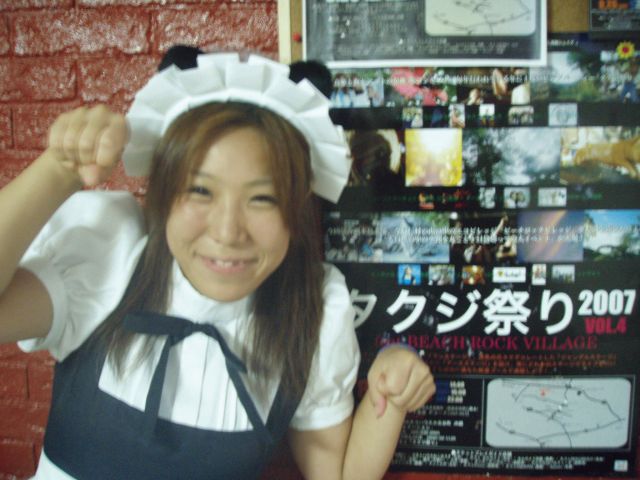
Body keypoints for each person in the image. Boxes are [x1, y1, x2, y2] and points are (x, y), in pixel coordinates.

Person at [0, 51, 435, 479]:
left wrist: (392, 392)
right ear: (164, 193)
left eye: (262, 198)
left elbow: (337, 474)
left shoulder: (310, 315)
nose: (228, 233)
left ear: (296, 207)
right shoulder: (110, 259)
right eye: (200, 191)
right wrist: (59, 171)